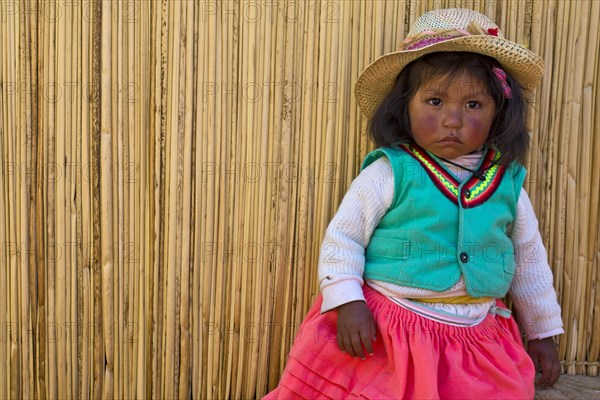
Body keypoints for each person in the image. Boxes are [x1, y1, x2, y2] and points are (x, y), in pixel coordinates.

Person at [265, 8, 563, 399]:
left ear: (499, 112)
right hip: (390, 331)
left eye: (473, 105)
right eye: (435, 101)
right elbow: (344, 237)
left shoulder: (507, 185)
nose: (452, 119)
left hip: (477, 335)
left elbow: (528, 259)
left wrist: (542, 331)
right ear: (405, 106)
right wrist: (347, 301)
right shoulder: (390, 173)